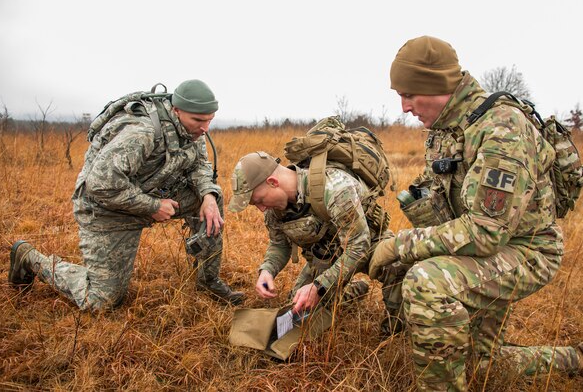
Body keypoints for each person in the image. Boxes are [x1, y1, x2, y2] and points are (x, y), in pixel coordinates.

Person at [369, 35, 582, 390]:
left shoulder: (503, 130)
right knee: (484, 361)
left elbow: (486, 232)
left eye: (408, 95)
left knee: (428, 282)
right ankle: (575, 358)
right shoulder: (448, 128)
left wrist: (400, 246)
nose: (404, 107)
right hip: (487, 249)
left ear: (434, 86)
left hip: (526, 250)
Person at [8, 79, 244, 310]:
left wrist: (208, 195)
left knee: (211, 199)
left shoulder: (194, 131)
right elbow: (100, 185)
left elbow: (199, 165)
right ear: (176, 109)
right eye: (198, 120)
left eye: (209, 120)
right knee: (101, 300)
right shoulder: (141, 131)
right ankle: (28, 258)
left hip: (152, 195)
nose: (205, 128)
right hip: (108, 208)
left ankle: (207, 279)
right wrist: (152, 206)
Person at [227, 150, 392, 316]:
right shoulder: (274, 210)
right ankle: (350, 291)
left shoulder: (335, 189)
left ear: (272, 182)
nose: (261, 208)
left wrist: (319, 286)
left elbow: (358, 246)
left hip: (369, 243)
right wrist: (267, 271)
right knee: (297, 312)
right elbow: (279, 244)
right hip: (327, 257)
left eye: (260, 200)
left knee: (397, 267)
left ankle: (393, 328)